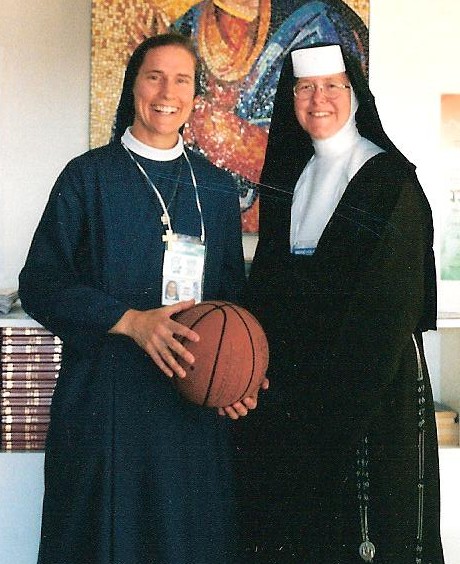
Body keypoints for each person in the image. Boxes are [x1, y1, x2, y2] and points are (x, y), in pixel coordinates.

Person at [19, 32, 259, 564]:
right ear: (133, 86)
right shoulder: (87, 177)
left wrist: (240, 376)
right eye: (154, 76)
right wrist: (129, 321)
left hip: (190, 415)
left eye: (181, 80)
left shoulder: (216, 189)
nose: (166, 91)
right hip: (106, 411)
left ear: (196, 96)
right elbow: (39, 283)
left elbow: (230, 305)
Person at [233, 44, 445, 563]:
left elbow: (387, 311)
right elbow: (267, 289)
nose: (317, 99)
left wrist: (325, 413)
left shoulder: (390, 181)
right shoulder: (290, 180)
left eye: (332, 86)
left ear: (355, 95)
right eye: (304, 87)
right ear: (291, 99)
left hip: (369, 396)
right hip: (291, 395)